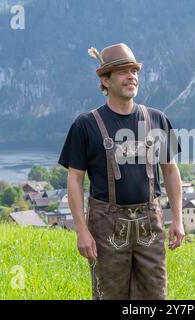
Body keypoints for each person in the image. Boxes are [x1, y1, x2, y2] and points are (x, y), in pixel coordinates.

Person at [58, 43, 184, 300]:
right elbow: (74, 179)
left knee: (154, 296)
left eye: (134, 70)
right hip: (106, 227)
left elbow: (171, 171)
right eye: (123, 71)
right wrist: (81, 230)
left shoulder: (157, 119)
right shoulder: (86, 125)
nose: (132, 76)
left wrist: (179, 219)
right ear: (105, 80)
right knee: (109, 295)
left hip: (151, 224)